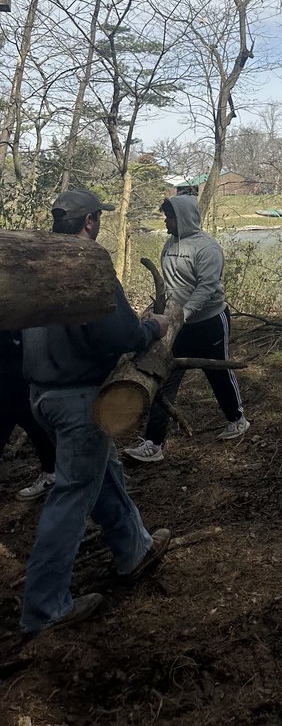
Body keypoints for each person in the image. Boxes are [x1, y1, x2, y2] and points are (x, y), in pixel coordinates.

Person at [19, 189, 171, 641]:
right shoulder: (86, 264)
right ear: (88, 222)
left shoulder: (33, 262)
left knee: (101, 476)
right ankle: (44, 608)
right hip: (79, 401)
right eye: (98, 219)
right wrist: (154, 327)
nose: (100, 225)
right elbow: (119, 335)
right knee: (71, 495)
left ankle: (134, 550)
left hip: (42, 397)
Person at [125, 195, 248, 463]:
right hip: (176, 325)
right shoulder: (169, 245)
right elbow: (170, 286)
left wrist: (185, 313)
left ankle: (237, 419)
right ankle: (153, 444)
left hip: (210, 322)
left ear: (182, 218)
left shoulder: (207, 248)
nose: (166, 221)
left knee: (218, 372)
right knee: (164, 378)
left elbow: (207, 287)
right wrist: (158, 311)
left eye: (169, 217)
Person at [1, 330, 56, 501]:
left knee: (29, 419)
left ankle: (52, 472)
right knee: (32, 421)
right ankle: (52, 471)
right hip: (14, 372)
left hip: (15, 372)